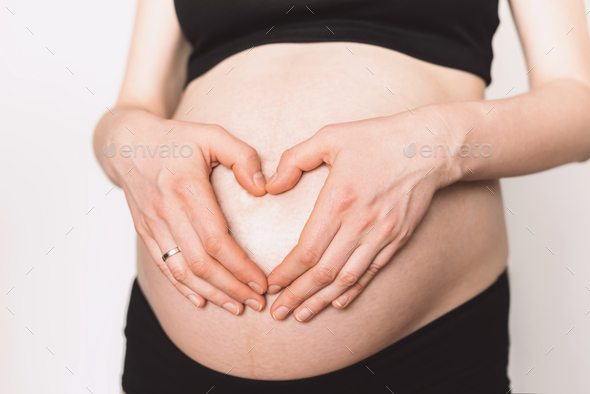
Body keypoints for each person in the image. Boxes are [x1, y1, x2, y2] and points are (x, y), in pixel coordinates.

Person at [92, 0, 590, 392]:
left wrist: (432, 146)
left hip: (423, 351)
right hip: (172, 354)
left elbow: (578, 104)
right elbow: (133, 105)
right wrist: (136, 147)